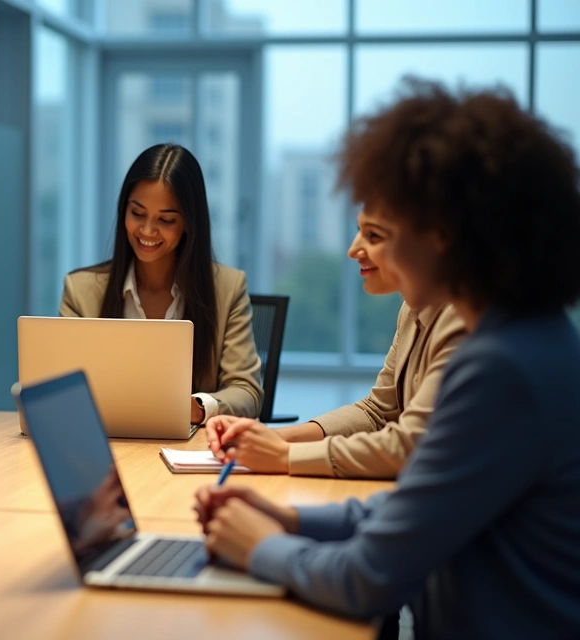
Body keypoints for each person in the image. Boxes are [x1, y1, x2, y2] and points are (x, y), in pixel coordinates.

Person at [195, 80, 580, 638]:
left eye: (385, 234)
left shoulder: (501, 370)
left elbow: (367, 578)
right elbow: (421, 506)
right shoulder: (529, 339)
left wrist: (263, 546)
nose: (368, 252)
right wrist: (292, 518)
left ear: (443, 237)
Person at [203, 210, 467, 478]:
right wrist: (275, 439)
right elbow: (378, 412)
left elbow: (411, 445)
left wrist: (285, 455)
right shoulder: (412, 310)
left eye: (372, 235)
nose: (353, 250)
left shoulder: (462, 319)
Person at [60, 143, 262, 423]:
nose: (147, 231)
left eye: (166, 219)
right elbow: (59, 388)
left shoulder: (228, 288)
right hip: (107, 445)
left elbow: (248, 392)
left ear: (189, 223)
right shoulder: (81, 290)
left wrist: (198, 407)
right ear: (124, 211)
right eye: (137, 213)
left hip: (188, 449)